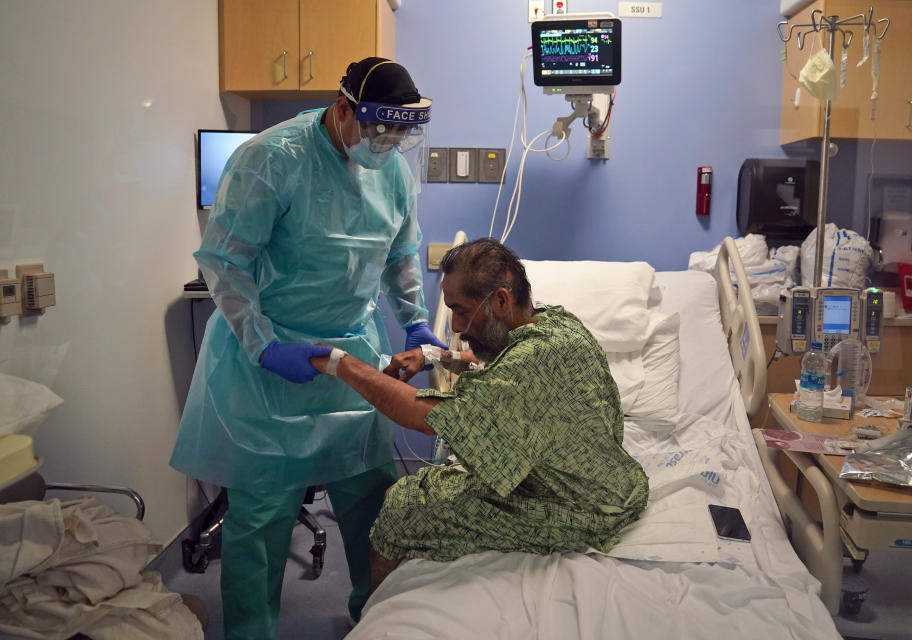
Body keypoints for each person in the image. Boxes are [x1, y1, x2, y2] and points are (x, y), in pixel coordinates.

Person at [169, 57, 446, 637]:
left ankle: (380, 620)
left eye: (400, 135)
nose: (387, 145)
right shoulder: (271, 159)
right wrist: (264, 346)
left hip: (353, 359)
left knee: (372, 501)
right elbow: (225, 264)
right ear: (343, 109)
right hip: (270, 360)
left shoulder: (391, 170)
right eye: (377, 131)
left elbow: (399, 254)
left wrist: (417, 322)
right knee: (261, 519)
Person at [308, 238, 649, 595]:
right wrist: (433, 356)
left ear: (500, 300)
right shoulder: (556, 324)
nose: (456, 325)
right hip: (605, 481)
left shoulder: (531, 362)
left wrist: (341, 364)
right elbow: (500, 362)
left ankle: (370, 618)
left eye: (461, 310)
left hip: (580, 509)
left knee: (400, 510)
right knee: (400, 491)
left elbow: (422, 415)